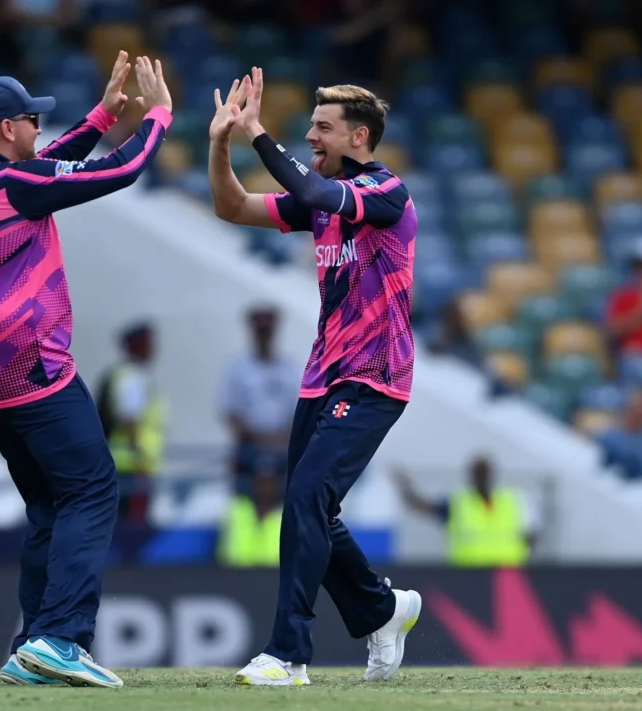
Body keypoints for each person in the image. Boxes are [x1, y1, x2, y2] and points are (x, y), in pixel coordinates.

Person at [0, 52, 172, 689]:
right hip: (27, 365)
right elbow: (118, 170)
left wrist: (102, 117)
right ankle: (61, 637)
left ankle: (33, 644)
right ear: (8, 128)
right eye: (32, 120)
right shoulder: (14, 184)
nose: (39, 128)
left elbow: (46, 166)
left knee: (49, 504)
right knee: (93, 489)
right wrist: (157, 118)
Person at [209, 68, 420, 686]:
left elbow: (317, 192)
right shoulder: (321, 202)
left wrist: (256, 133)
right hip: (322, 375)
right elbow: (231, 206)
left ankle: (288, 654)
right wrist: (221, 143)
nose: (310, 137)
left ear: (359, 137)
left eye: (322, 127)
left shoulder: (386, 192)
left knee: (305, 498)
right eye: (309, 127)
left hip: (375, 376)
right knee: (311, 510)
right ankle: (381, 610)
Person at [390, 457, 536, 568]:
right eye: (479, 474)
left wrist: (526, 557)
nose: (482, 479)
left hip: (507, 573)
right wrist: (406, 487)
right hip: (468, 573)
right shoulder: (459, 504)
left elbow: (531, 534)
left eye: (484, 474)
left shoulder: (511, 501)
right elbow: (423, 506)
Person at [219, 306, 301, 495]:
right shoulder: (238, 370)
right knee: (244, 500)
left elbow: (298, 409)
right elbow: (230, 411)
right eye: (261, 330)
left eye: (268, 330)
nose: (265, 336)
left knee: (285, 500)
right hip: (249, 450)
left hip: (283, 449)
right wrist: (259, 438)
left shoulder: (289, 369)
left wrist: (281, 437)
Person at [97, 321, 167, 525]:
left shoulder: (127, 375)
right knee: (132, 525)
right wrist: (140, 458)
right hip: (131, 464)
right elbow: (129, 419)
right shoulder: (132, 377)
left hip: (128, 464)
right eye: (148, 343)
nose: (153, 349)